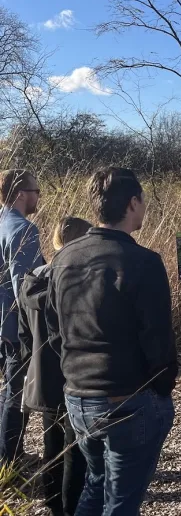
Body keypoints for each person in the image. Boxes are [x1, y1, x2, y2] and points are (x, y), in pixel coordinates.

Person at [46, 168, 177, 515]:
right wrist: (163, 388)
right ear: (133, 203)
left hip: (77, 399)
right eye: (143, 200)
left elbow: (55, 330)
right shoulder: (144, 263)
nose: (145, 207)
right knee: (120, 501)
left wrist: (74, 378)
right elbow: (159, 340)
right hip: (126, 400)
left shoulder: (64, 259)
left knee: (96, 482)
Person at [18, 217, 91, 516]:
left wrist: (28, 370)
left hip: (43, 377)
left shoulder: (32, 279)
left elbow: (24, 334)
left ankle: (51, 504)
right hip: (74, 374)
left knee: (52, 445)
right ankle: (70, 505)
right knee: (75, 449)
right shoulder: (78, 282)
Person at [0, 169, 43, 465]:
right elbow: (24, 288)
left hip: (2, 323)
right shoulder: (23, 229)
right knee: (17, 392)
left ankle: (7, 455)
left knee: (8, 389)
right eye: (36, 190)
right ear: (20, 194)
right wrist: (35, 331)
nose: (38, 196)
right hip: (17, 327)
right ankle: (10, 460)